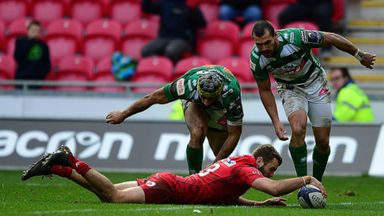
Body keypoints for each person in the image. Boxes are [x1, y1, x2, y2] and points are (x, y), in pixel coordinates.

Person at [249, 20, 376, 182]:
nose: (264, 48)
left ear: (275, 36)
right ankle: (304, 183)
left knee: (323, 141)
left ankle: (317, 182)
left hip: (315, 83)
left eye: (267, 42)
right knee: (298, 127)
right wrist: (275, 121)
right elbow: (265, 90)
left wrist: (359, 54)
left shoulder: (295, 38)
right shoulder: (256, 59)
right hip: (290, 88)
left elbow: (329, 37)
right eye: (259, 45)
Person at [21, 144, 327, 206]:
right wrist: (306, 179)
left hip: (170, 182)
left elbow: (223, 195)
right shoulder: (246, 168)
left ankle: (59, 167)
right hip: (170, 189)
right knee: (113, 198)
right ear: (260, 161)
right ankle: (71, 159)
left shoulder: (237, 165)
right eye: (270, 168)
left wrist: (258, 206)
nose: (271, 174)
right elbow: (273, 188)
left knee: (106, 191)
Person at [106, 65, 244, 174]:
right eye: (204, 97)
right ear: (198, 89)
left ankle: (214, 173)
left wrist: (214, 165)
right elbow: (152, 98)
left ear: (219, 91)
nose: (206, 103)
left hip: (221, 109)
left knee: (219, 153)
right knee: (198, 132)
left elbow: (234, 134)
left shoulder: (231, 94)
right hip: (193, 102)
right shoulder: (186, 85)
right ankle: (194, 178)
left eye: (211, 97)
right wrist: (124, 113)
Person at [141, 0, 207, 63]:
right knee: (146, 50)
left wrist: (193, 9)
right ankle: (156, 67)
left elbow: (202, 24)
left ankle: (172, 70)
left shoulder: (188, 3)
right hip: (164, 38)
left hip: (183, 40)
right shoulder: (166, 2)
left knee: (171, 51)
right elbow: (147, 8)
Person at [13, 20, 51, 89]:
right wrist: (30, 41)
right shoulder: (21, 41)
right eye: (32, 30)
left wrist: (40, 75)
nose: (34, 32)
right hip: (21, 78)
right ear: (28, 30)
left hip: (36, 80)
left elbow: (47, 64)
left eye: (37, 30)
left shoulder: (43, 45)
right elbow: (17, 57)